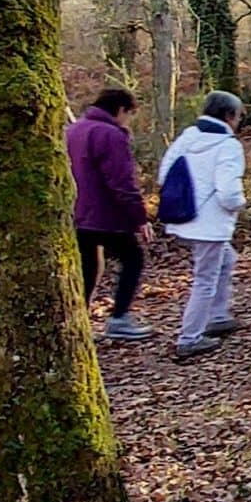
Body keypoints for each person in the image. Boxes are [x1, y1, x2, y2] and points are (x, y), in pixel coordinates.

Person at [157, 90, 248, 360]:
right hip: (211, 224)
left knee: (227, 259)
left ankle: (219, 315)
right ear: (230, 116)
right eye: (239, 116)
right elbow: (229, 193)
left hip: (185, 217)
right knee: (205, 279)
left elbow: (165, 175)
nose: (239, 121)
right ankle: (190, 338)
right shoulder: (228, 146)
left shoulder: (188, 137)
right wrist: (239, 203)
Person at [67, 88, 152, 342]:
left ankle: (78, 323)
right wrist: (139, 217)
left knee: (88, 266)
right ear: (121, 110)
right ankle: (119, 317)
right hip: (107, 214)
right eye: (129, 114)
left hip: (78, 213)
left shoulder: (72, 130)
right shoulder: (111, 134)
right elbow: (122, 181)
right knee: (133, 258)